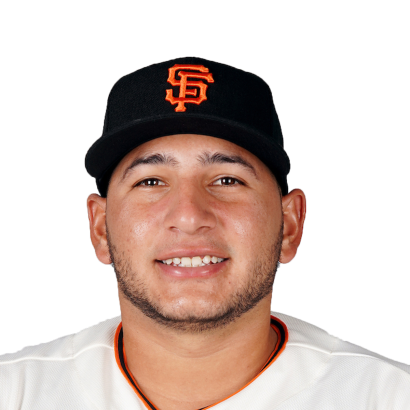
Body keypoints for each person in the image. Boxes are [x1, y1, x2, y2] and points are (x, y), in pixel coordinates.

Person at [1, 57, 409, 410]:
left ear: (290, 224)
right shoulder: (14, 391)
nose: (189, 216)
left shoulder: (388, 397)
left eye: (228, 180)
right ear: (99, 228)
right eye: (150, 181)